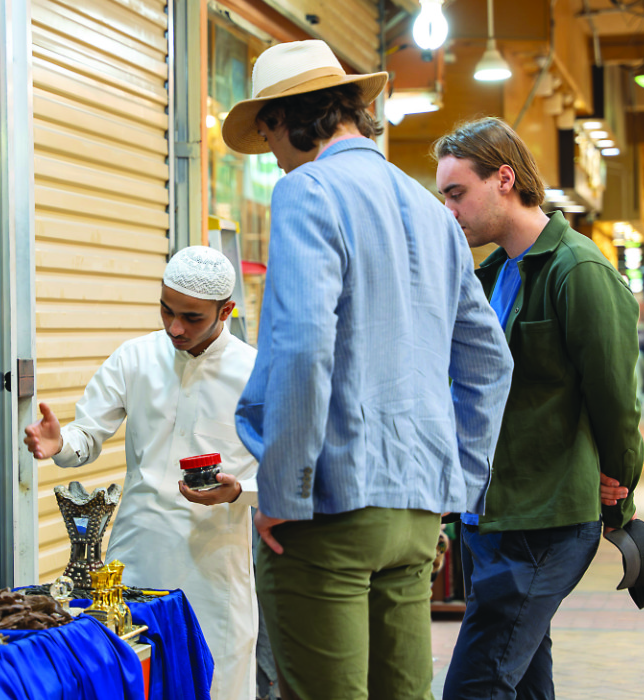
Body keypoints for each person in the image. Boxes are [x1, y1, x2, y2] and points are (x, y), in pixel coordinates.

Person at [221, 40, 513, 700]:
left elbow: (301, 350)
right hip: (417, 514)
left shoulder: (309, 191)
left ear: (289, 118)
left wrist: (284, 492)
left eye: (268, 133)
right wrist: (459, 481)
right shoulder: (431, 212)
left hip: (328, 513)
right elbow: (491, 362)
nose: (272, 154)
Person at [433, 117, 644, 700]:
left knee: (475, 685)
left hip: (543, 522)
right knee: (523, 680)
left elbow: (613, 400)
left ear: (504, 178)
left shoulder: (578, 271)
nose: (449, 210)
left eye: (457, 193)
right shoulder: (494, 272)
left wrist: (619, 483)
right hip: (486, 516)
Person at [22, 246, 258, 700]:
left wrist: (238, 491)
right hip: (137, 558)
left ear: (225, 311)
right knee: (140, 682)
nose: (175, 328)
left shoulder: (254, 372)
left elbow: (285, 474)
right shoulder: (136, 357)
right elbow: (85, 437)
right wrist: (59, 444)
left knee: (217, 687)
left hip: (214, 569)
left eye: (191, 317)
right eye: (167, 311)